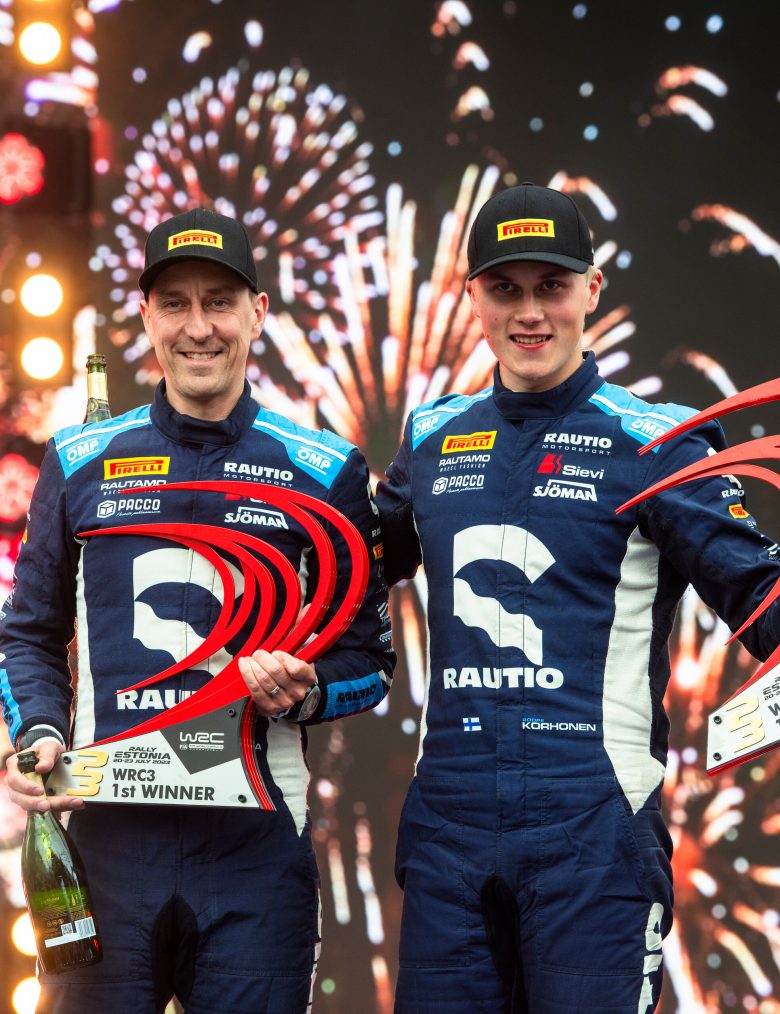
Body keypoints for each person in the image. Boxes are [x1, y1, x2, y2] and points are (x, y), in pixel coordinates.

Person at [375, 183, 780, 1013]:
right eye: (506, 288)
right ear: (473, 295)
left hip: (594, 836)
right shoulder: (430, 438)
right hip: (448, 832)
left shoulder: (659, 442)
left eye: (551, 287)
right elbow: (339, 584)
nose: (530, 313)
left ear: (592, 290)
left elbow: (761, 596)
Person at [0, 207, 394, 1014]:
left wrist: (309, 691)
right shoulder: (79, 460)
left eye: (220, 301)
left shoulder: (325, 470)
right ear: (147, 315)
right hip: (107, 841)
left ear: (258, 311)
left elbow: (371, 664)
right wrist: (38, 730)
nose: (199, 327)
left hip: (256, 853)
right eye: (175, 303)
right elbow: (27, 635)